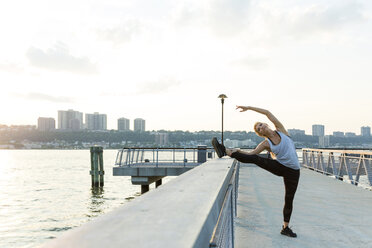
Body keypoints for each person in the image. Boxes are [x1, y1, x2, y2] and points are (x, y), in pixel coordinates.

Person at [211, 106, 300, 238]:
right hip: (280, 166)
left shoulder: (281, 130)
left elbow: (267, 112)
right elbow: (251, 154)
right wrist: (236, 151)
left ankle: (285, 228)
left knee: (289, 199)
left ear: (265, 124)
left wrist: (248, 108)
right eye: (258, 129)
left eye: (260, 125)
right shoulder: (266, 144)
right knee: (256, 159)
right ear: (261, 134)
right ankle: (226, 151)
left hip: (294, 172)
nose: (260, 127)